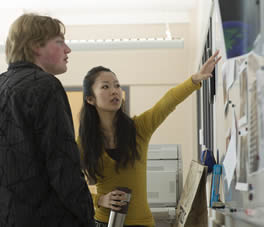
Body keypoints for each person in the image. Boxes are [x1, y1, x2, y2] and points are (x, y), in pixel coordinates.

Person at [0, 13, 95, 227]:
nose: (68, 49)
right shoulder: (45, 86)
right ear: (36, 46)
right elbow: (62, 164)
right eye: (59, 42)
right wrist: (88, 217)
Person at [78, 50, 221, 227]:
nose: (114, 91)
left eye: (117, 85)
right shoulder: (84, 142)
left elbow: (167, 102)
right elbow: (68, 187)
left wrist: (195, 80)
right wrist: (99, 200)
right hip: (104, 222)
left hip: (142, 222)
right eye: (105, 87)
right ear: (90, 99)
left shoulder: (139, 128)